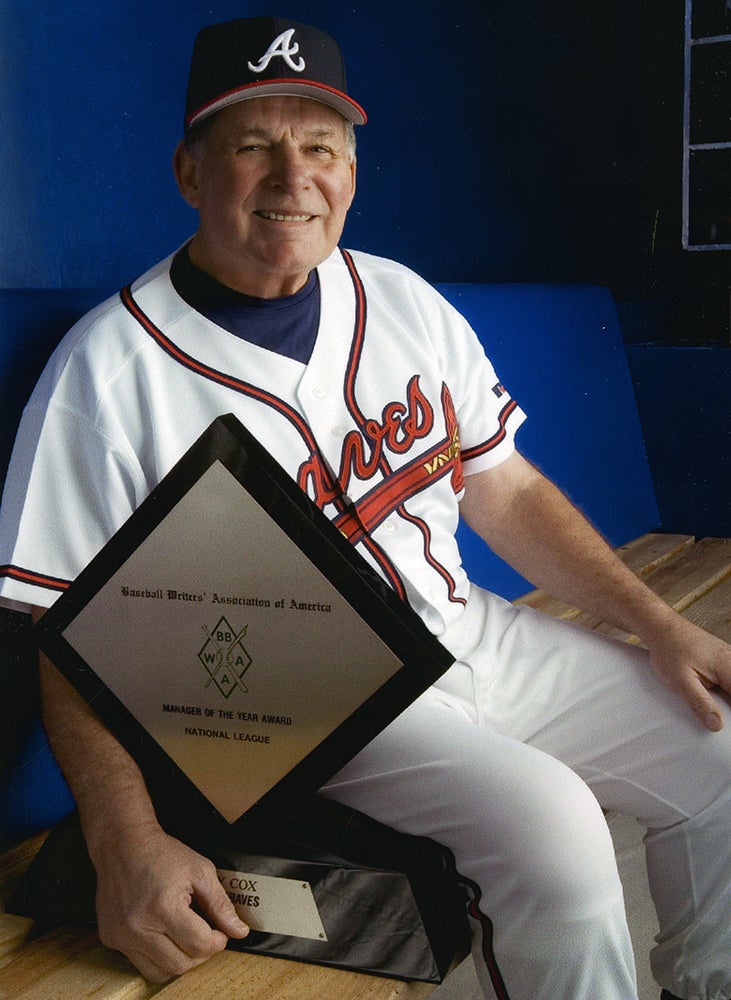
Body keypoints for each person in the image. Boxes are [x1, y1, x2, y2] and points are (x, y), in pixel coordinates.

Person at [0, 16, 729, 1000]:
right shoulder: (107, 370)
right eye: (252, 145)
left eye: (320, 147)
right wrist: (123, 835)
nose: (291, 178)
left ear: (350, 168)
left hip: (473, 631)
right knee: (555, 837)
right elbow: (59, 622)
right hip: (312, 711)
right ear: (188, 170)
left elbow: (500, 486)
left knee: (714, 742)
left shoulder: (402, 301)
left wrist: (656, 625)